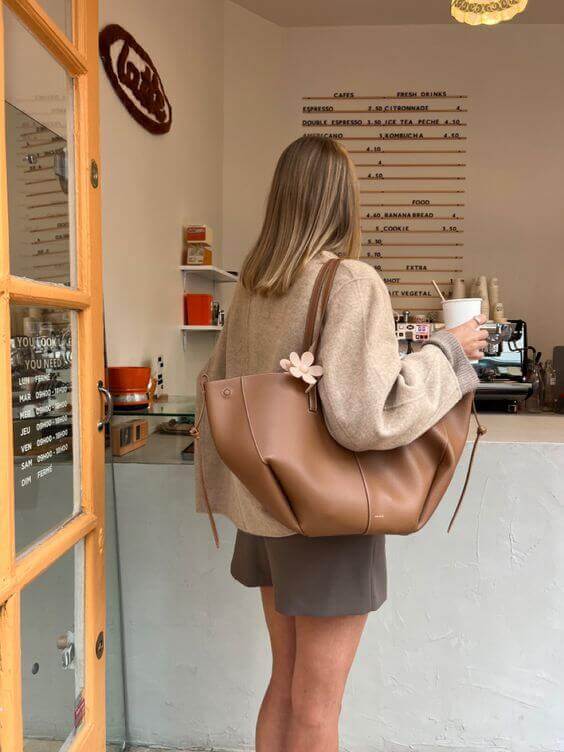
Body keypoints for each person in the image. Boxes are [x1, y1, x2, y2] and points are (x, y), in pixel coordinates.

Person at [195, 135, 487, 752]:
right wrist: (448, 351)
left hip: (265, 507)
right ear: (343, 201)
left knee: (285, 684)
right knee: (318, 705)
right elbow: (364, 417)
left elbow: (220, 384)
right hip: (326, 515)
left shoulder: (254, 285)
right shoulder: (350, 280)